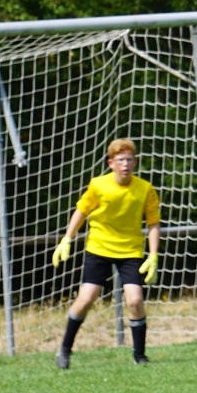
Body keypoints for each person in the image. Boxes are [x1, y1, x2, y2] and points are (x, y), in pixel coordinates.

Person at [51, 137, 161, 368]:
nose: (125, 164)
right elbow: (81, 211)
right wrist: (67, 239)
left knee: (135, 300)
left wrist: (153, 255)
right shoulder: (98, 185)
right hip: (99, 248)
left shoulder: (145, 189)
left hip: (130, 251)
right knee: (86, 299)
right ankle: (65, 350)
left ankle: (140, 356)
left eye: (129, 159)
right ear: (111, 163)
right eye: (120, 160)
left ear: (135, 162)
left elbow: (153, 223)